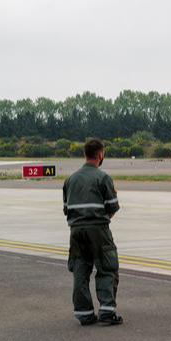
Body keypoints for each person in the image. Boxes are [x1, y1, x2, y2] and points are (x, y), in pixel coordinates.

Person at [62, 138, 122, 325]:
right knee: (107, 267)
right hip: (98, 230)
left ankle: (84, 313)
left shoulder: (70, 180)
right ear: (101, 155)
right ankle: (107, 311)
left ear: (85, 154)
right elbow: (112, 207)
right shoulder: (103, 178)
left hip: (76, 231)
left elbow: (66, 209)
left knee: (80, 269)